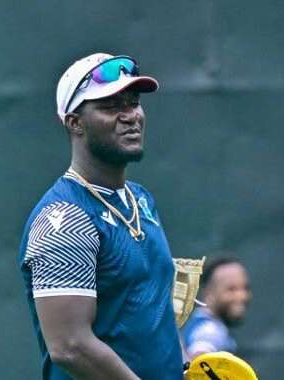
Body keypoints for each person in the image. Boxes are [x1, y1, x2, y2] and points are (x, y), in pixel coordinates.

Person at [18, 53, 183, 379]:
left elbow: (153, 314)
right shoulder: (64, 219)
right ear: (74, 122)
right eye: (110, 106)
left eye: (133, 103)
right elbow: (70, 346)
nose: (130, 116)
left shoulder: (140, 200)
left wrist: (186, 363)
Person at [181, 257, 251, 361]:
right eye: (231, 289)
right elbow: (199, 359)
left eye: (245, 288)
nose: (242, 296)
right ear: (208, 292)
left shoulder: (203, 324)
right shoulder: (209, 330)